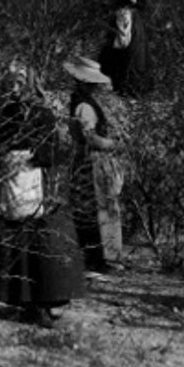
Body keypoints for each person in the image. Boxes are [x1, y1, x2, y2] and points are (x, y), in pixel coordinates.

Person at [0, 61, 84, 325]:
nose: (15, 89)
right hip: (7, 188)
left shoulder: (42, 114)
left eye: (20, 83)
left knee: (42, 245)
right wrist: (3, 158)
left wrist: (30, 156)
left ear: (30, 83)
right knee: (12, 245)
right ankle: (14, 301)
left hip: (39, 188)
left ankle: (48, 301)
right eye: (11, 83)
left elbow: (54, 151)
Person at [64, 57, 123, 274]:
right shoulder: (84, 105)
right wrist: (113, 144)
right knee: (97, 209)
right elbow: (90, 138)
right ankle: (98, 259)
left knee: (91, 209)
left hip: (86, 162)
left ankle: (96, 258)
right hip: (92, 163)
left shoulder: (80, 102)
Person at [98, 0, 151, 97]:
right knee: (112, 53)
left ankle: (133, 89)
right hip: (116, 22)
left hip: (132, 23)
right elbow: (105, 6)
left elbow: (143, 5)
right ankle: (115, 86)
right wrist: (107, 4)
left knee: (134, 54)